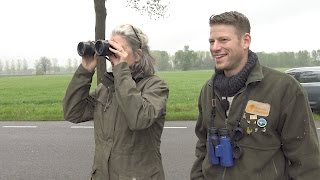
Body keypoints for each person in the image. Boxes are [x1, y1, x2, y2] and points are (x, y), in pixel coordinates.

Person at [190, 11, 320, 180]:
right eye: (211, 41)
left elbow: (306, 160)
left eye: (223, 40)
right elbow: (202, 144)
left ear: (245, 41)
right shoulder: (208, 89)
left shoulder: (284, 88)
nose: (215, 47)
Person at [63, 24, 169, 180]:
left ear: (138, 54)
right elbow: (73, 112)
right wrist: (85, 70)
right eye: (110, 47)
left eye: (119, 49)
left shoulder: (155, 86)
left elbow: (139, 119)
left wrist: (121, 69)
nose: (112, 53)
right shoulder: (106, 89)